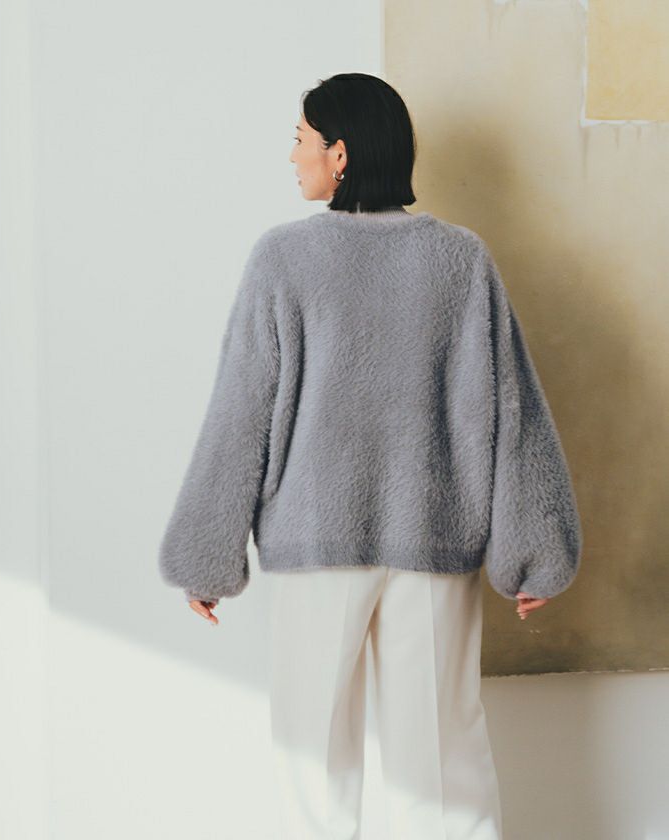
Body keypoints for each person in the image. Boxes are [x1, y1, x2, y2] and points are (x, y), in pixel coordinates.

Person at [158, 72, 582, 840]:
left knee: (313, 754)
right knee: (442, 755)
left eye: (300, 139)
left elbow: (240, 412)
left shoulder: (283, 258)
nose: (292, 155)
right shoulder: (460, 259)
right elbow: (510, 410)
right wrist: (535, 548)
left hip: (317, 545)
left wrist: (206, 556)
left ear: (341, 153)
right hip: (433, 541)